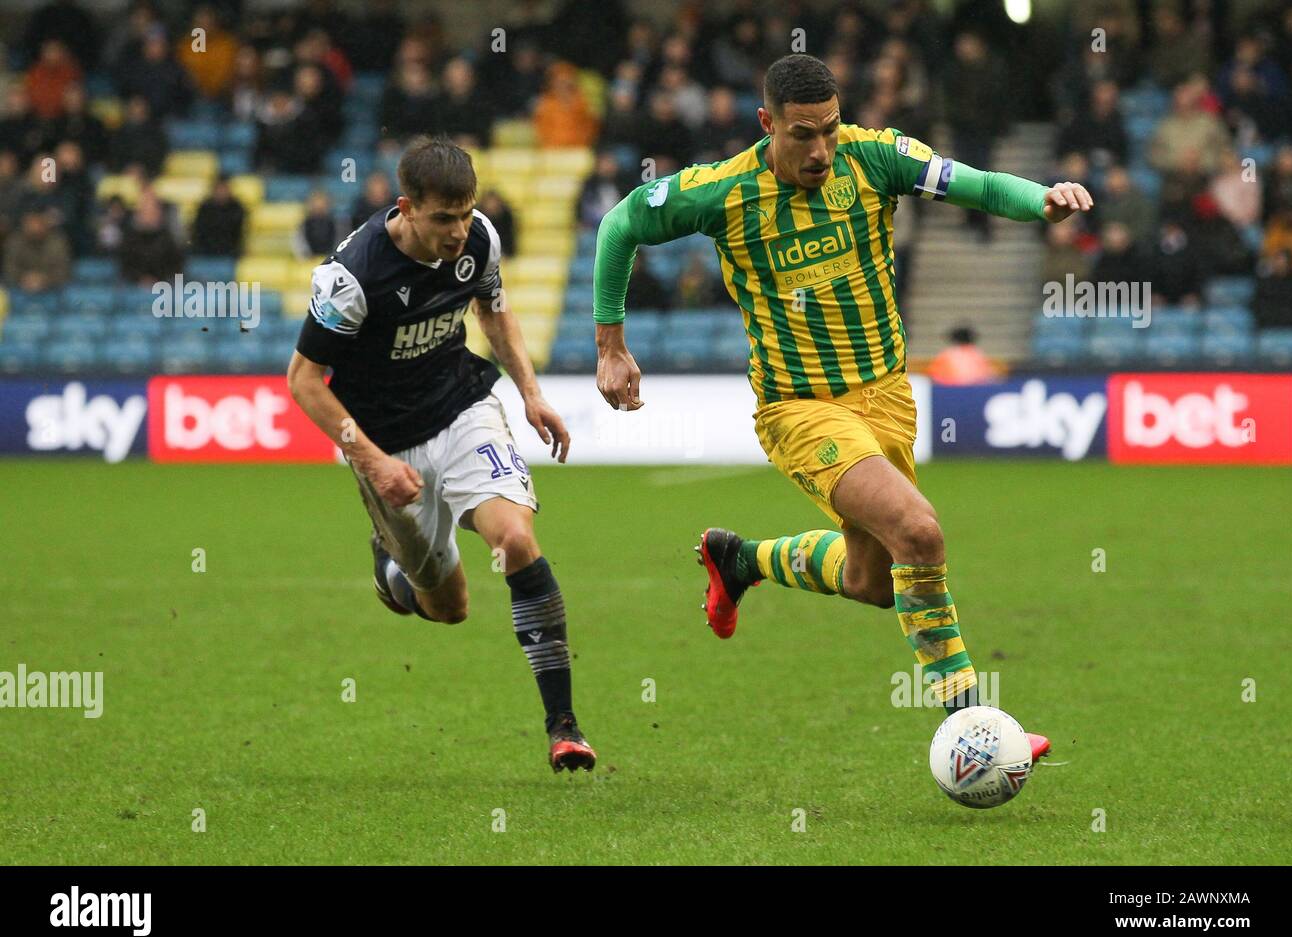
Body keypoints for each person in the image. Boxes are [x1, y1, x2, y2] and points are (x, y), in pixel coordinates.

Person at [592, 54, 1093, 757]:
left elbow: (974, 185)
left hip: (887, 399)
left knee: (875, 582)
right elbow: (620, 227)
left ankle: (741, 561)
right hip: (800, 408)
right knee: (919, 535)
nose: (821, 150)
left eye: (829, 129)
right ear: (767, 124)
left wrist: (1039, 199)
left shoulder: (875, 157)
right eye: (802, 134)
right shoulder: (721, 191)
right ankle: (974, 726)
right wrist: (610, 344)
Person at [287, 136, 596, 774]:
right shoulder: (351, 278)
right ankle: (395, 572)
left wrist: (531, 394)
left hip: (462, 406)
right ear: (406, 208)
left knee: (515, 539)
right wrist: (372, 462)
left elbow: (494, 313)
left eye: (465, 214)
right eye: (443, 219)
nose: (459, 232)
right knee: (449, 608)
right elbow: (304, 381)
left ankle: (563, 727)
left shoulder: (481, 238)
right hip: (386, 444)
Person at [928, 327, 998, 385]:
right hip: (955, 389)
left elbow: (934, 376)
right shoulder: (977, 354)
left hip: (962, 389)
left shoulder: (948, 354)